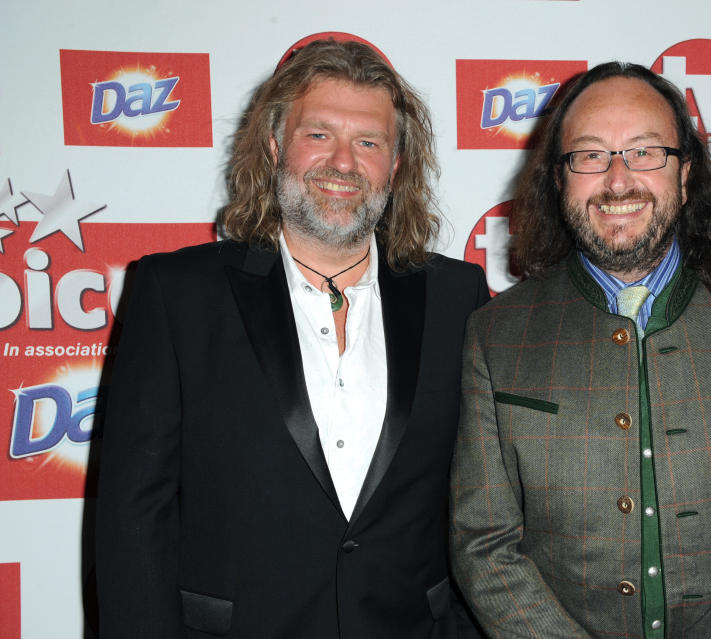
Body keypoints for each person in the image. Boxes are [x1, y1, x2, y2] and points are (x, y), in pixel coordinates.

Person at [96, 36, 488, 639]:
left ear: (397, 162)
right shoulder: (175, 293)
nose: (343, 163)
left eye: (368, 142)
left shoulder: (458, 298)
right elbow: (132, 519)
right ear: (276, 143)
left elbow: (484, 502)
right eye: (319, 135)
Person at [450, 61, 711, 638]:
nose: (618, 180)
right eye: (590, 156)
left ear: (685, 174)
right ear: (559, 178)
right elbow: (483, 543)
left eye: (645, 152)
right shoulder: (497, 335)